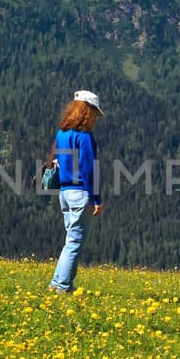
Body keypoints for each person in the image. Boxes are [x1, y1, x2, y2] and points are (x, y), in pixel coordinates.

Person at [49, 89, 103, 294]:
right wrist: (96, 198)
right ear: (86, 111)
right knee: (75, 242)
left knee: (70, 240)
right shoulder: (85, 137)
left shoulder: (61, 133)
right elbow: (89, 169)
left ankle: (57, 283)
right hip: (81, 192)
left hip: (64, 192)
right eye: (94, 113)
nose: (95, 118)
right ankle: (63, 286)